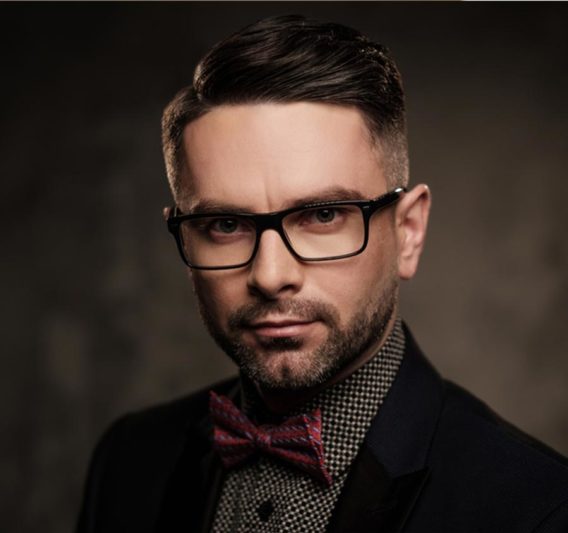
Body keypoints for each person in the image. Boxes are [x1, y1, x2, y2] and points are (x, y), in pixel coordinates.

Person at [77, 14, 568, 533]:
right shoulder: (127, 462)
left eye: (324, 215)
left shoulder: (542, 510)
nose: (270, 276)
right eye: (225, 224)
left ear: (408, 231)